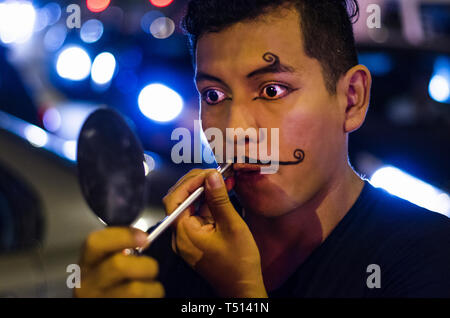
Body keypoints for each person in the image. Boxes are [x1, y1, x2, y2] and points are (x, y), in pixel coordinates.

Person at [75, 0, 450, 298]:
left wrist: (242, 294)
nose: (235, 131)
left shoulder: (428, 260)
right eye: (214, 94)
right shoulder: (168, 258)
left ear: (351, 99)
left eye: (272, 90)